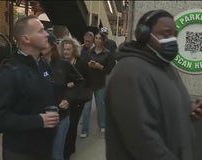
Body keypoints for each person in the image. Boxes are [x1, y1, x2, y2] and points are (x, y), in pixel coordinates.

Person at [105, 9, 202, 160]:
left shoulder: (166, 67)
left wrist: (186, 108)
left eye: (174, 35)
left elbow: (159, 106)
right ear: (143, 34)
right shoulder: (129, 72)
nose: (172, 40)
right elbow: (140, 137)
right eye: (166, 34)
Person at [0, 16, 59, 160]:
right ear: (26, 39)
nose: (47, 34)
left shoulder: (43, 65)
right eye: (41, 31)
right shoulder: (10, 73)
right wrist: (38, 121)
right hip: (20, 152)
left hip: (44, 148)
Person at [41, 33, 84, 160]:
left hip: (60, 116)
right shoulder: (36, 64)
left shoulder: (63, 65)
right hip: (40, 118)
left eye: (44, 43)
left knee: (56, 154)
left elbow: (80, 82)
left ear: (52, 46)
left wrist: (68, 98)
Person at [59, 37, 92, 160]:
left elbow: (88, 80)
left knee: (72, 124)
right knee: (64, 125)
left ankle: (68, 151)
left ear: (74, 50)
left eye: (69, 49)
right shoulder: (60, 62)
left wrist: (75, 83)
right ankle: (65, 148)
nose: (66, 51)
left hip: (78, 99)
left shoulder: (81, 63)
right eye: (64, 49)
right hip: (64, 99)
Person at [80, 31, 116, 138]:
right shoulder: (89, 52)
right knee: (86, 107)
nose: (97, 40)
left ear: (103, 40)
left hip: (100, 82)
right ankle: (84, 130)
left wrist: (100, 67)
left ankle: (102, 125)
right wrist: (89, 65)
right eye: (96, 38)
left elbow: (111, 69)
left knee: (101, 105)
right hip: (88, 82)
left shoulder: (107, 53)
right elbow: (83, 66)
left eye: (100, 38)